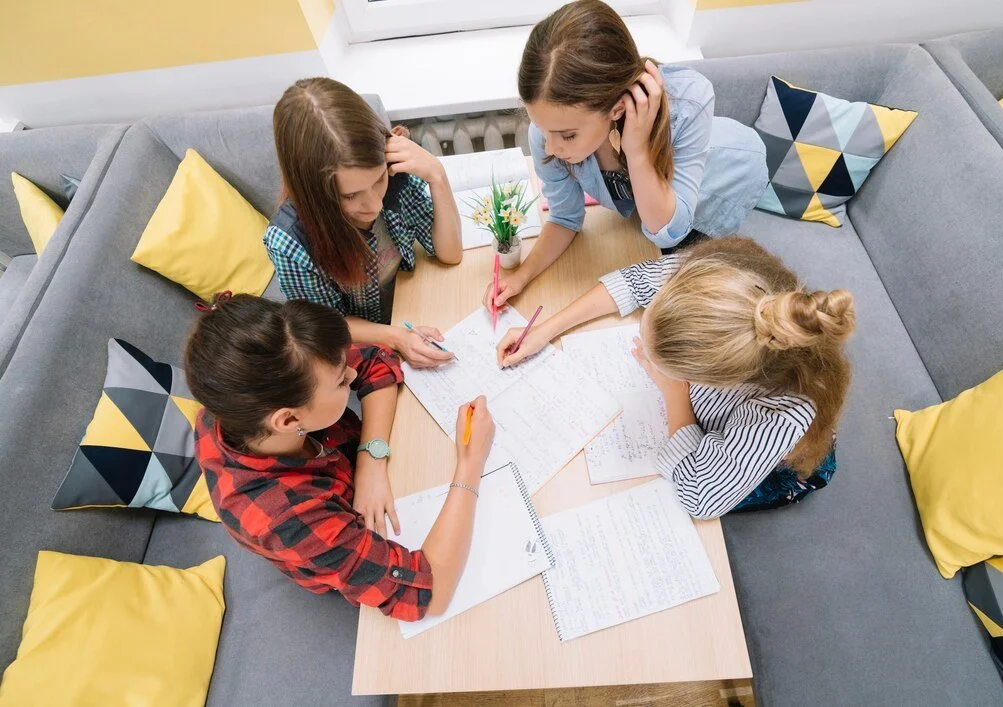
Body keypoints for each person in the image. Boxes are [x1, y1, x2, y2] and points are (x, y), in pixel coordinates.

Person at [186, 294, 495, 619]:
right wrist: (470, 462)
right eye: (341, 381)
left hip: (355, 475)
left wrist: (371, 460)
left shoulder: (256, 392)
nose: (351, 375)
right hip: (335, 544)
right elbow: (427, 594)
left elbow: (375, 360)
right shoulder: (287, 521)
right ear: (289, 420)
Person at [496, 238, 854, 517]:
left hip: (777, 464)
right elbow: (636, 282)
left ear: (713, 379)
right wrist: (546, 329)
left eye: (658, 360)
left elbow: (702, 495)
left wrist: (673, 395)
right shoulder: (721, 276)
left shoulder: (782, 412)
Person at [484, 0, 768, 312]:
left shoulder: (691, 100)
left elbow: (668, 232)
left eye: (567, 136)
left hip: (729, 177)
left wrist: (637, 151)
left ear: (617, 108)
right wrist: (522, 276)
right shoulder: (549, 132)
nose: (549, 147)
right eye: (540, 127)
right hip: (657, 206)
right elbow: (565, 217)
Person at [268, 77, 462, 369]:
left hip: (413, 301)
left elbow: (450, 252)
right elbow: (328, 327)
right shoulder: (290, 244)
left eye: (378, 180)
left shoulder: (395, 167)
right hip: (369, 344)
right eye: (350, 195)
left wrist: (437, 175)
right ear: (315, 193)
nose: (374, 205)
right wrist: (396, 337)